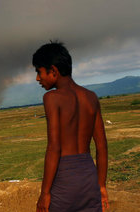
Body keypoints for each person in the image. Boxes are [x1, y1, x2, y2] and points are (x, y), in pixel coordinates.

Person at [33, 41, 108, 212]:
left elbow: (54, 148)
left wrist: (44, 193)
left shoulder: (52, 98)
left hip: (65, 180)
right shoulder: (91, 97)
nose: (38, 78)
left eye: (39, 71)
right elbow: (102, 147)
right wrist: (101, 186)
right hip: (89, 178)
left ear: (53, 71)